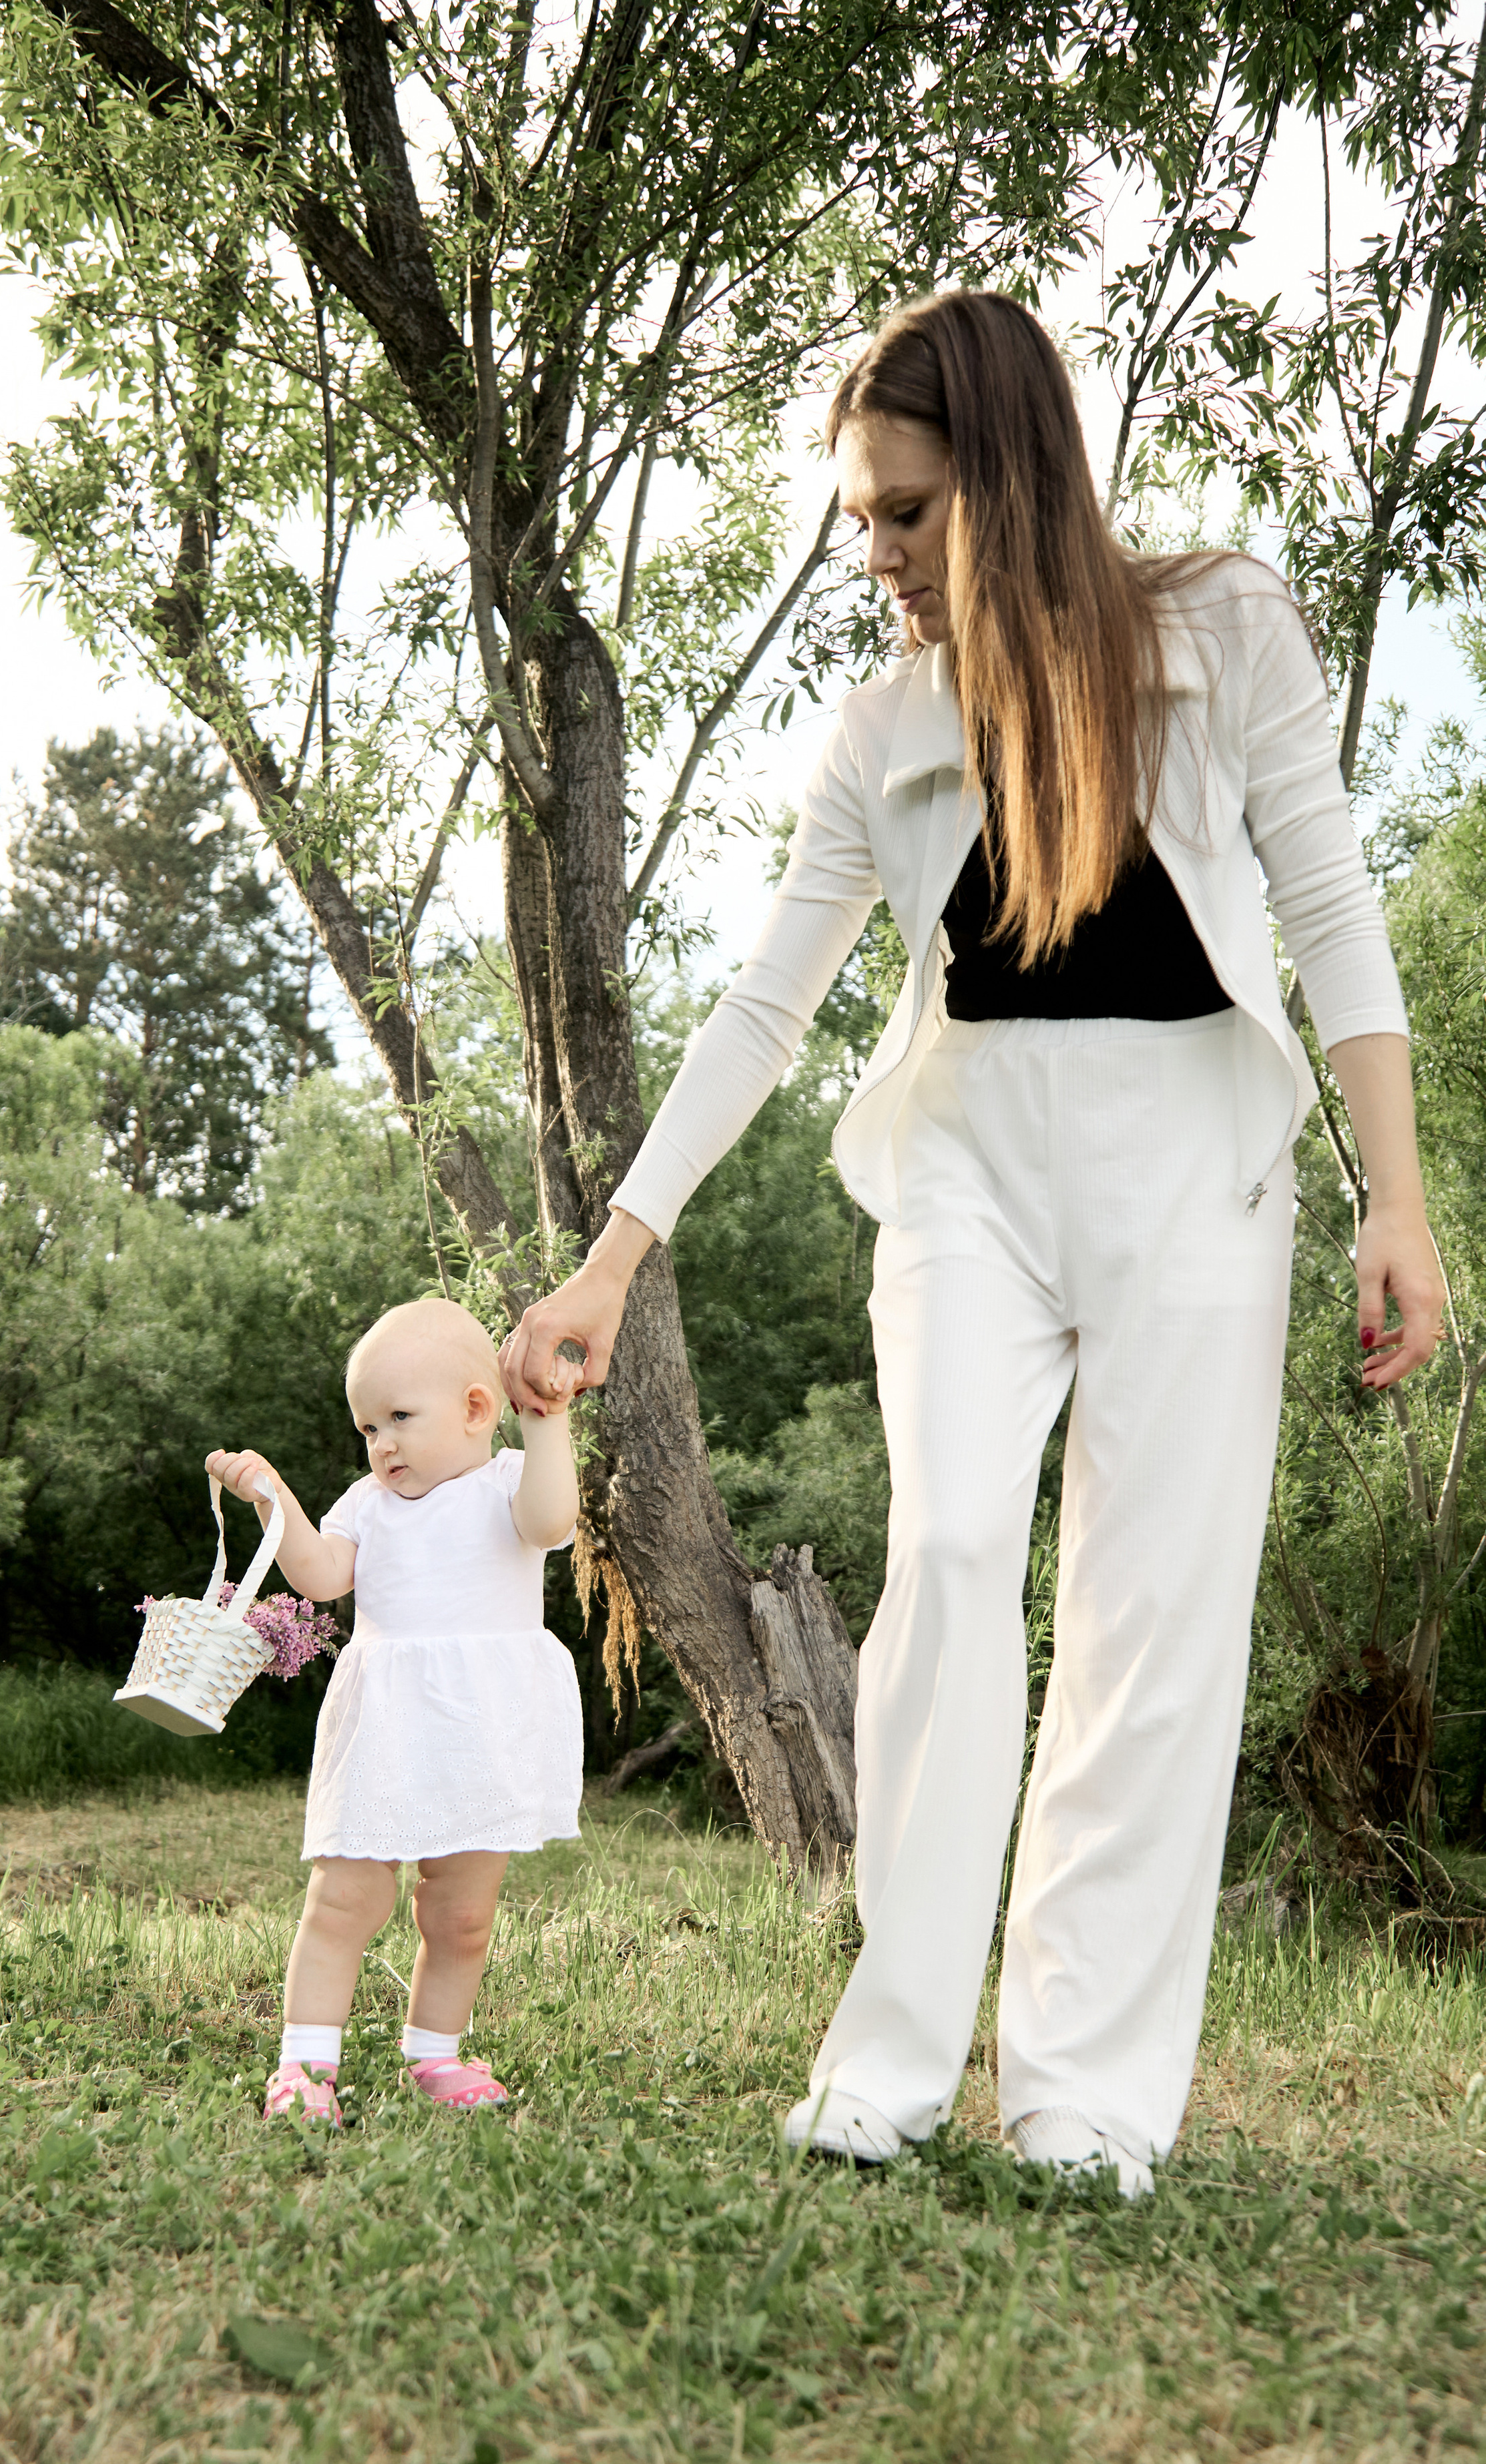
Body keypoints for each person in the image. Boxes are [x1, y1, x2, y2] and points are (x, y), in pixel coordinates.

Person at [500, 290, 1443, 2196]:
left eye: (906, 513)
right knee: (938, 1557)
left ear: (1011, 483)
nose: (879, 558)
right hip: (968, 1174)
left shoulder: (1225, 631)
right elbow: (770, 1003)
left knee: (1150, 1617)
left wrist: (1397, 1198)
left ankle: (1087, 2093)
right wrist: (615, 1256)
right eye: (863, 517)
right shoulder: (883, 730)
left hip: (1192, 1158)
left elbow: (1333, 902)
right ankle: (895, 2059)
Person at [208, 1297, 581, 2126]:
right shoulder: (366, 1504)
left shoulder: (510, 1485)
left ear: (477, 1410)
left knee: (462, 1915)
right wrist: (274, 1500)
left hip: (483, 1731)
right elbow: (317, 1574)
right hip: (387, 1731)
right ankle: (305, 2067)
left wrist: (547, 1420)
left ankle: (434, 2054)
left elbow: (554, 1521)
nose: (379, 1444)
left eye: (398, 1420)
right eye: (367, 1429)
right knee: (345, 1899)